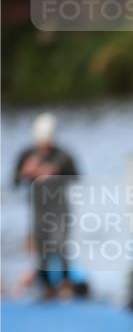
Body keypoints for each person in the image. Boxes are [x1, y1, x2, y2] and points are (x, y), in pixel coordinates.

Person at [13, 112, 85, 299]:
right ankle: (46, 288)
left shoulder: (63, 156)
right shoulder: (27, 155)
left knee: (61, 247)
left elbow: (78, 178)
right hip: (37, 210)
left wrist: (56, 174)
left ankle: (64, 285)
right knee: (41, 249)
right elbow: (14, 182)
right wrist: (26, 173)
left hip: (60, 209)